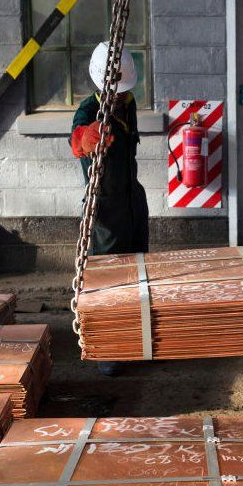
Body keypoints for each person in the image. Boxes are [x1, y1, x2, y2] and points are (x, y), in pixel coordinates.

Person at [70, 42, 149, 377]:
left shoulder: (127, 104)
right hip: (105, 209)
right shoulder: (90, 111)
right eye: (112, 92)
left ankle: (134, 339)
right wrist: (87, 138)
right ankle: (108, 349)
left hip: (131, 202)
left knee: (136, 273)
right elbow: (76, 139)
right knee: (109, 280)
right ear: (99, 84)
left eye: (122, 91)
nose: (117, 97)